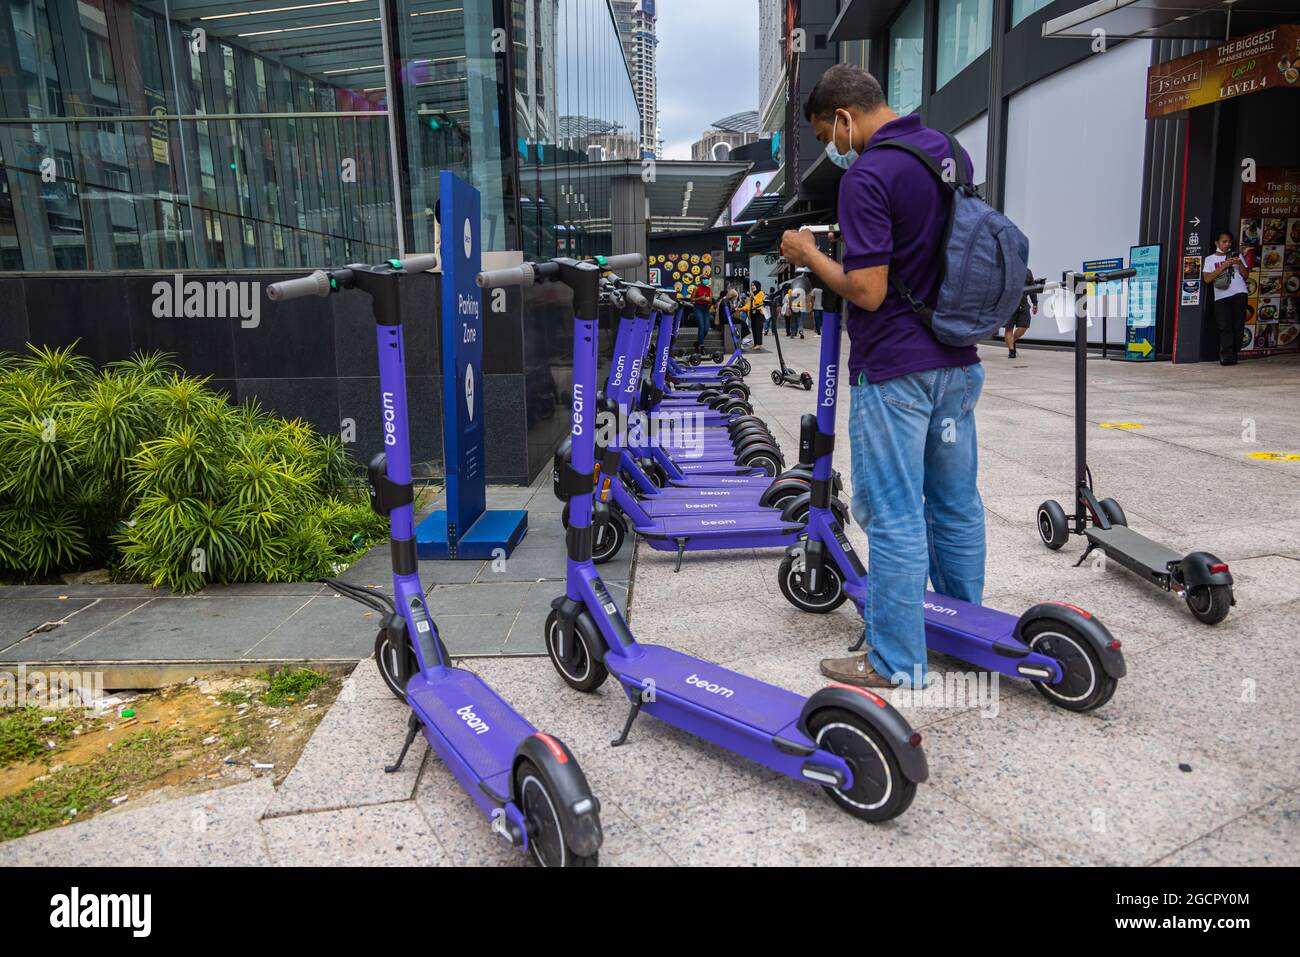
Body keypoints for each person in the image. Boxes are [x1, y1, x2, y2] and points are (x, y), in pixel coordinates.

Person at [780, 64, 983, 691]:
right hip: (957, 362)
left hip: (896, 370)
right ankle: (963, 633)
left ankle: (897, 659)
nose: (831, 148)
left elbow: (867, 290)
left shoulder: (868, 174)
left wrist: (812, 256)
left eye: (825, 135)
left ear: (844, 117)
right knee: (954, 504)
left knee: (892, 513)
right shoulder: (952, 153)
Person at [1202, 231, 1249, 365]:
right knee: (1224, 325)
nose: (1227, 244)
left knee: (1238, 325)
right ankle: (1226, 356)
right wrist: (1224, 265)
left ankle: (1234, 353)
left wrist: (1239, 263)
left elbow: (1246, 275)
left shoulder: (1236, 255)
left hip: (1239, 292)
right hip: (1221, 296)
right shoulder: (1210, 259)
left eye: (1229, 241)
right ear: (1217, 242)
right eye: (1224, 241)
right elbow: (1207, 279)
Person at [1005, 268, 1037, 358]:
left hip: (1023, 304)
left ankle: (1012, 341)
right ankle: (1011, 351)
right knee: (1009, 328)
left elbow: (1033, 289)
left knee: (1024, 327)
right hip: (1009, 304)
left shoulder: (1027, 272)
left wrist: (1035, 303)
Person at [691, 281, 713, 352]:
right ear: (701, 280)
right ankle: (702, 346)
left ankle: (698, 343)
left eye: (706, 278)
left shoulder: (709, 289)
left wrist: (708, 300)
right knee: (701, 326)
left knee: (706, 328)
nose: (706, 280)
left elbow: (711, 300)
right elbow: (692, 299)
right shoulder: (696, 288)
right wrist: (700, 298)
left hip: (706, 308)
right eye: (704, 278)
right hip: (698, 307)